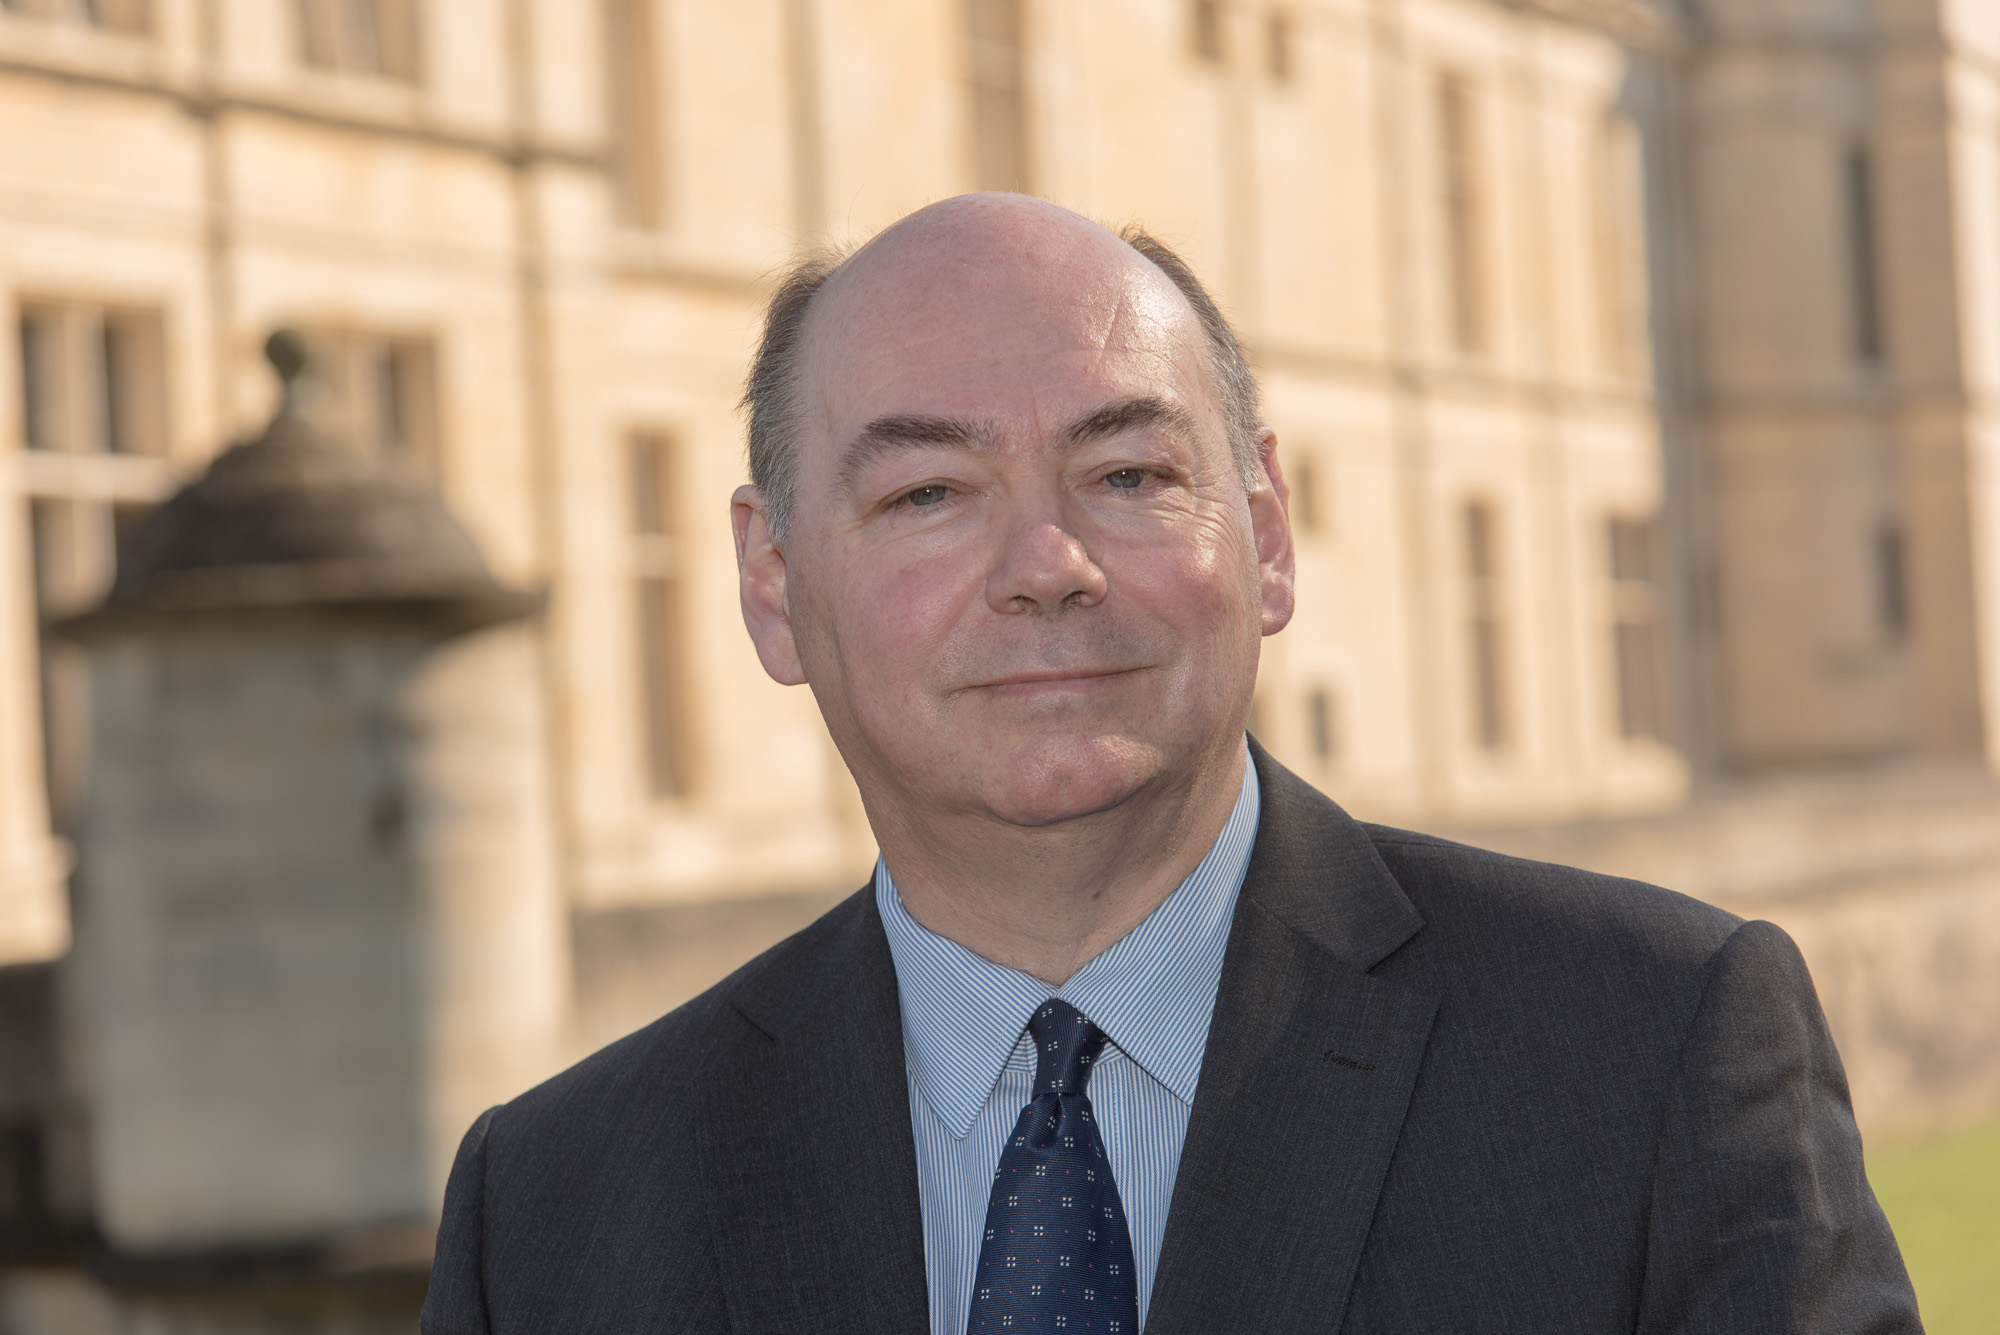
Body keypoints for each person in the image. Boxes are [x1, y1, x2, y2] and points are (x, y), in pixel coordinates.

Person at [421, 194, 1920, 1334]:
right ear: (772, 584)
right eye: (930, 492)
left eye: (1130, 474)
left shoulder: (1648, 1055)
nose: (1046, 565)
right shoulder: (553, 1212)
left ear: (1264, 534)